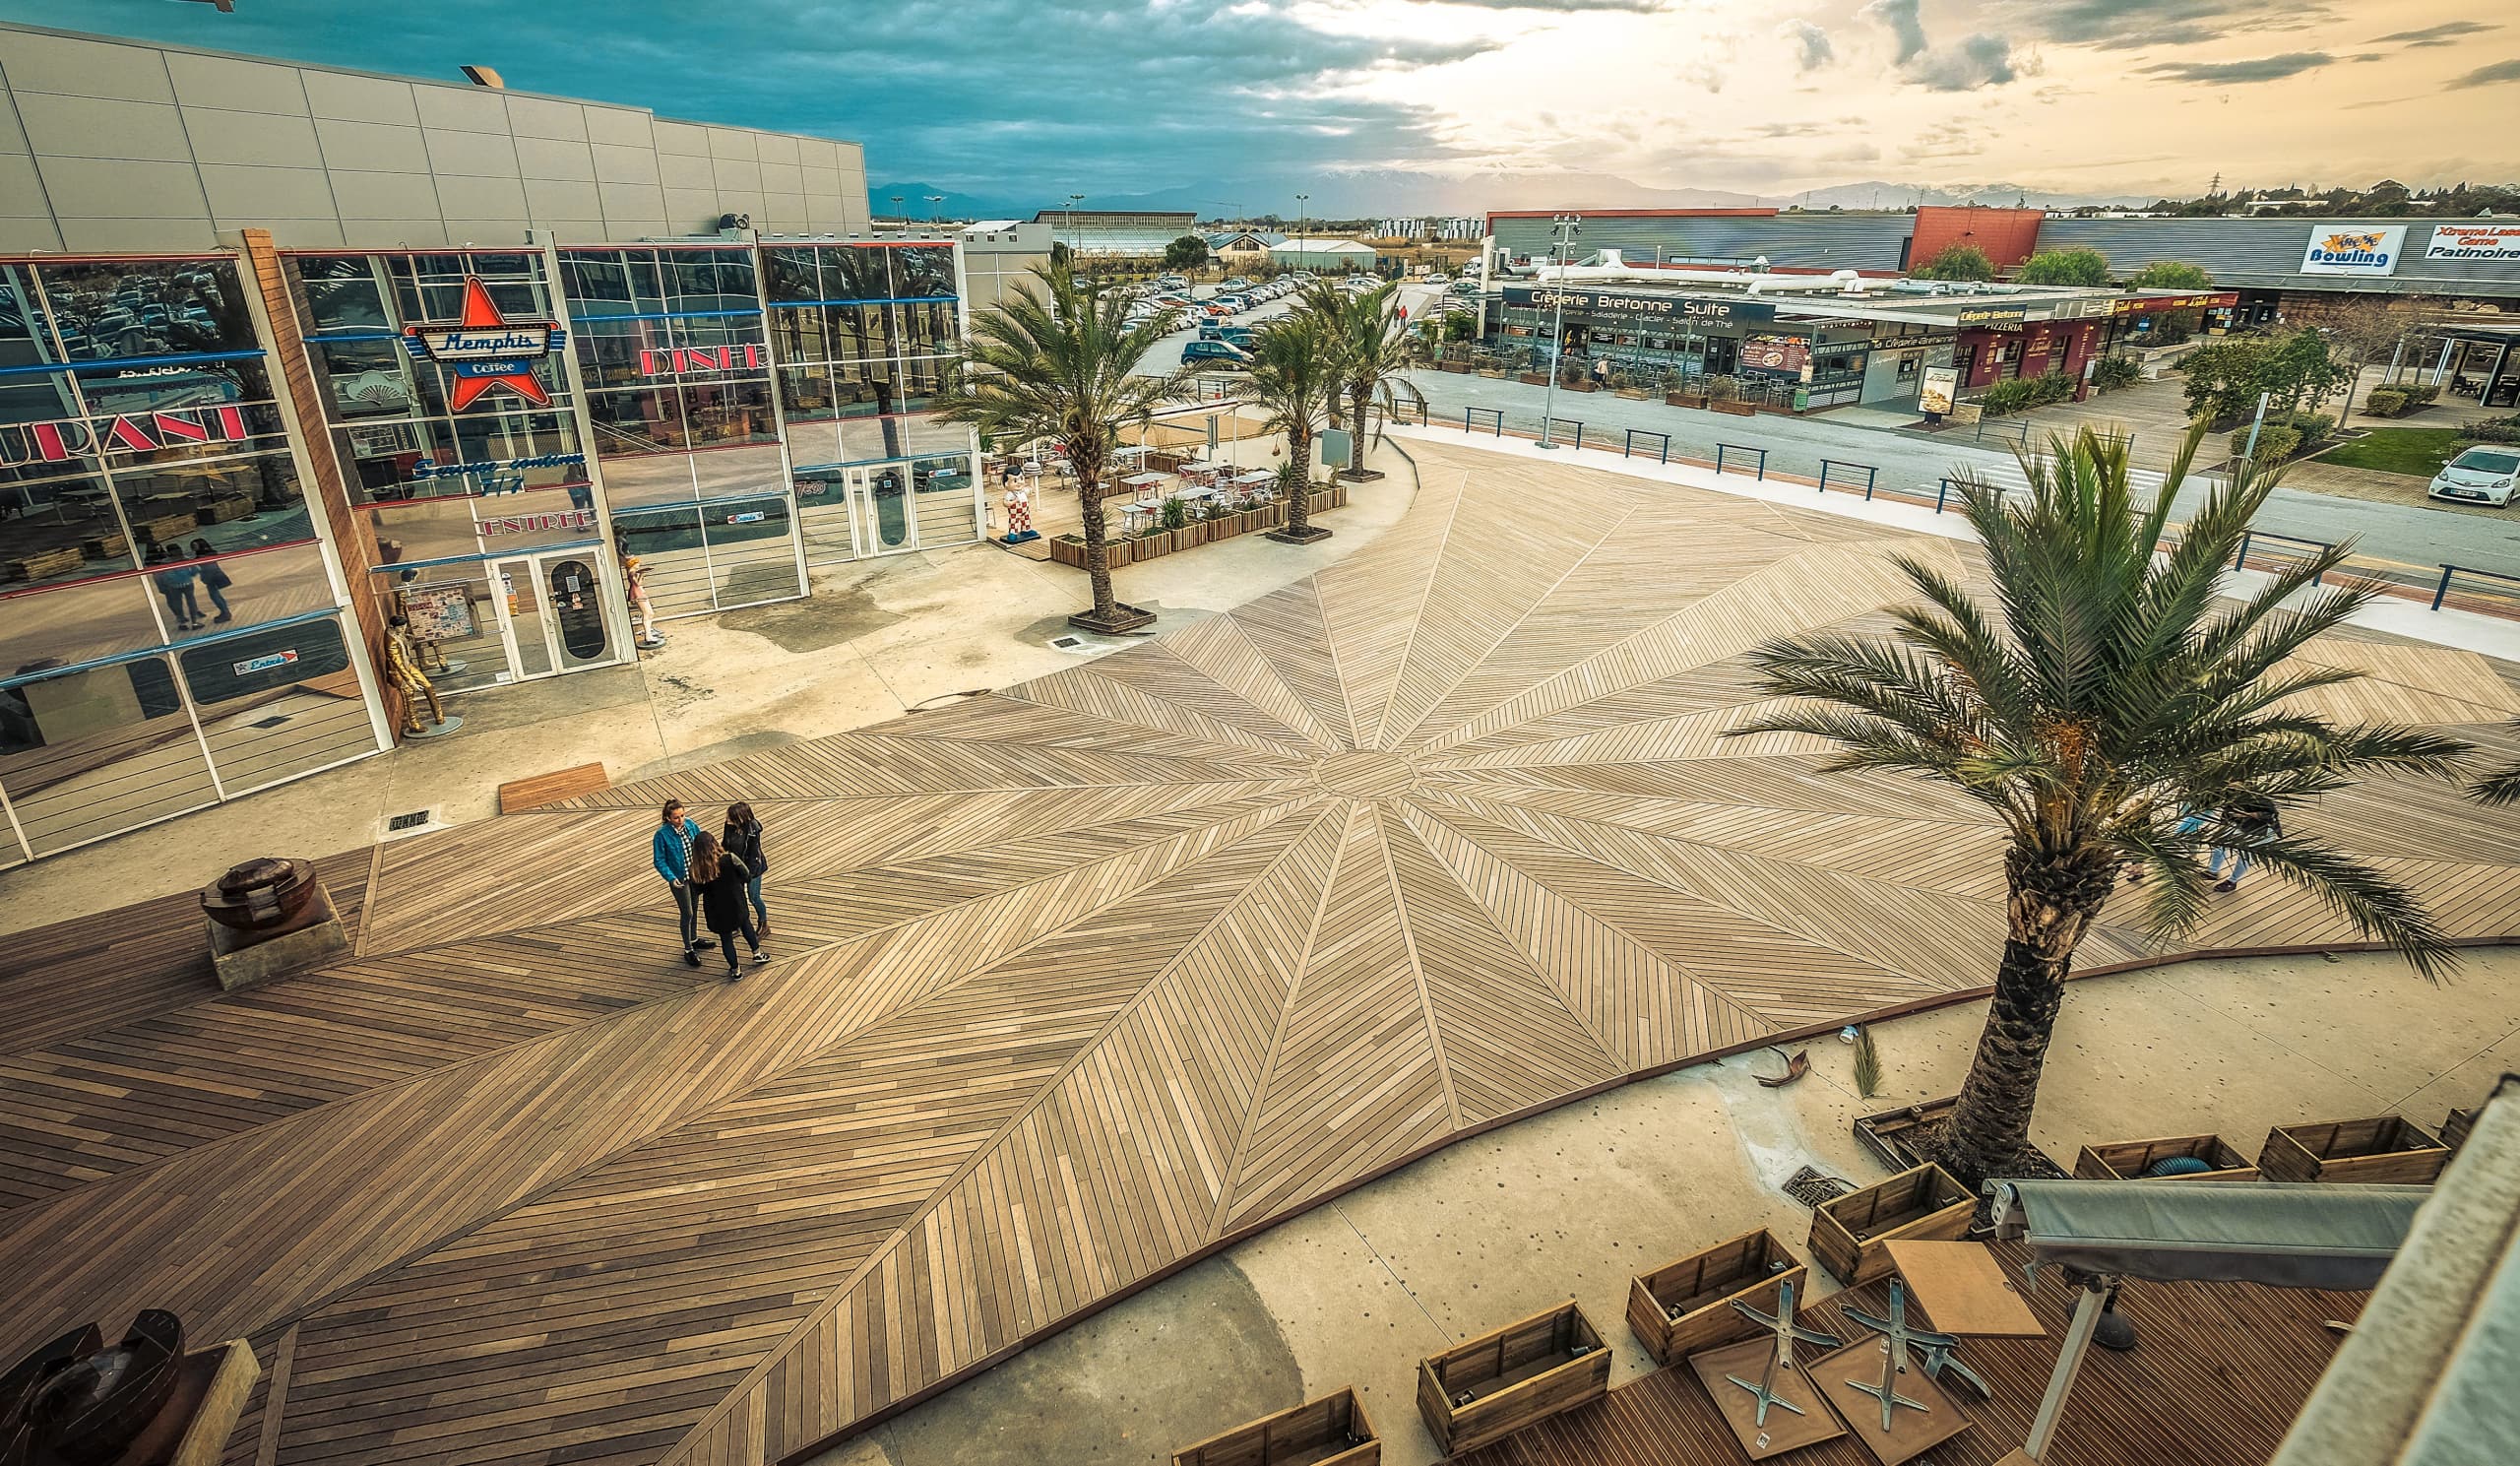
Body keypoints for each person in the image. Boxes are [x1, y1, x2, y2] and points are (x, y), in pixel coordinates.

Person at [690, 829, 768, 981]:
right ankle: (757, 953)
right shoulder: (729, 858)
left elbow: (697, 890)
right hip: (736, 901)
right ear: (714, 843)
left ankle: (736, 970)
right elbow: (746, 874)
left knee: (726, 940)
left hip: (716, 909)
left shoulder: (697, 870)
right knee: (747, 928)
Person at [651, 798, 716, 967]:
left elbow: (702, 845)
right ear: (667, 818)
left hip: (694, 876)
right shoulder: (661, 835)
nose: (680, 820)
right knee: (687, 912)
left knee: (694, 908)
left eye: (682, 816)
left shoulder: (691, 825)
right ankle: (688, 949)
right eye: (676, 817)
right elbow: (659, 860)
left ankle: (693, 939)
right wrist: (671, 878)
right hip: (680, 879)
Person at [2213, 794, 2281, 893]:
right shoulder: (2230, 797)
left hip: (2261, 831)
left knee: (2245, 856)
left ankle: (2232, 881)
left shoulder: (2259, 800)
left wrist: (2247, 814)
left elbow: (2271, 815)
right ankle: (2213, 871)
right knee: (2220, 844)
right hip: (2242, 826)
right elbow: (2226, 814)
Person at [723, 801, 769, 937]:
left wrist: (748, 875)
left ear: (740, 818)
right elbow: (725, 843)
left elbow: (754, 854)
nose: (727, 819)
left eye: (730, 817)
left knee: (754, 897)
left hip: (753, 868)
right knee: (736, 897)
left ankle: (763, 923)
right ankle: (737, 924)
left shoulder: (752, 831)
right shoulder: (729, 825)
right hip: (735, 866)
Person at [149, 542, 203, 631]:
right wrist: (189, 575)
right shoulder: (185, 559)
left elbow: (164, 575)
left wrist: (166, 583)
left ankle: (182, 623)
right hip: (187, 583)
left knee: (177, 603)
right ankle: (194, 622)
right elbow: (196, 570)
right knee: (191, 602)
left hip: (173, 585)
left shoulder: (165, 562)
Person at [189, 539, 233, 624]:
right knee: (216, 595)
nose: (193, 547)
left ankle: (225, 612)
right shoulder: (209, 554)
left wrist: (204, 576)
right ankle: (225, 611)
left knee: (215, 596)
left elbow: (208, 568)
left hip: (212, 577)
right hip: (214, 576)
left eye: (194, 546)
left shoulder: (203, 556)